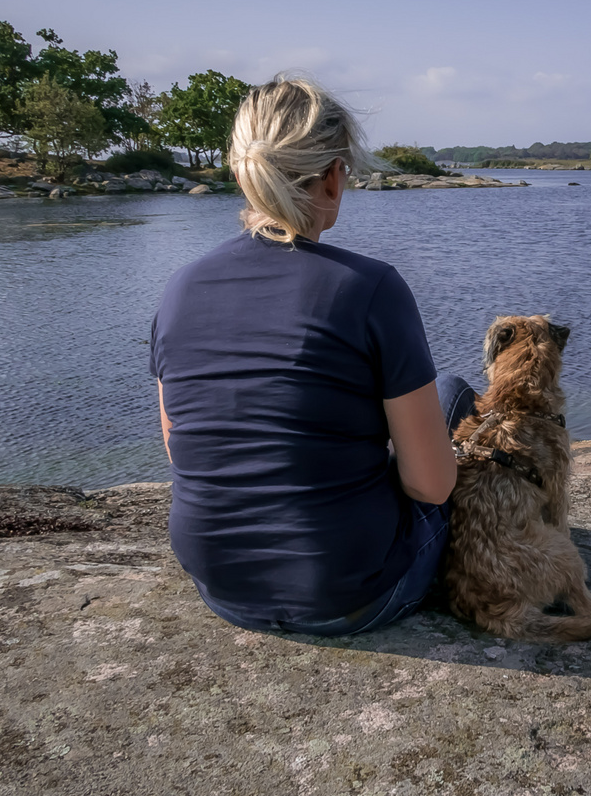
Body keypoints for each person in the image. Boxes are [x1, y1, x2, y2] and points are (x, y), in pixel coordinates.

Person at [149, 75, 475, 636]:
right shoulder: (372, 288)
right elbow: (432, 487)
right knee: (452, 393)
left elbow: (180, 444)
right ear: (330, 176)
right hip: (351, 594)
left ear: (241, 174)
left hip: (222, 589)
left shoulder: (179, 288)